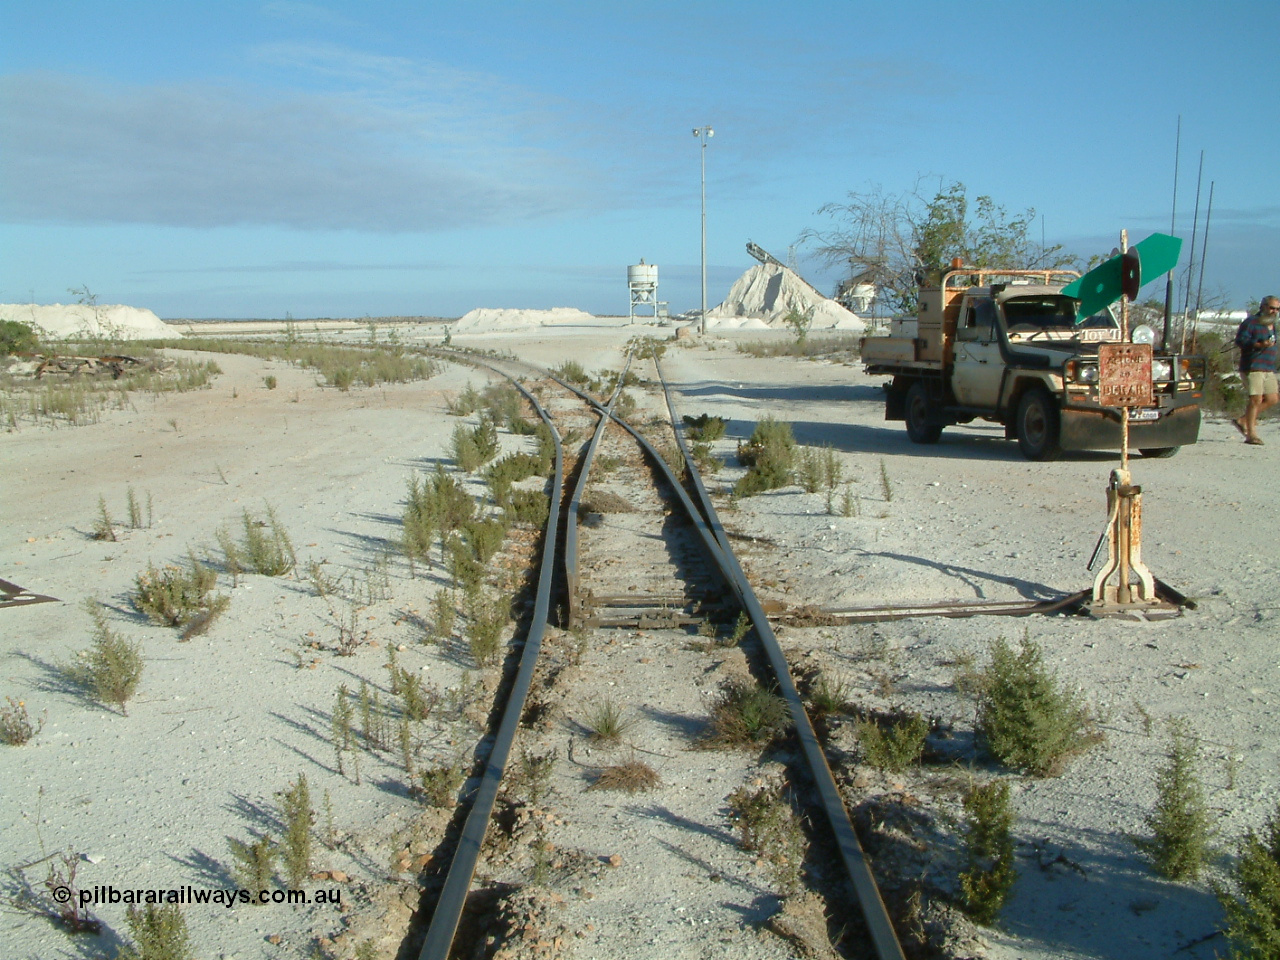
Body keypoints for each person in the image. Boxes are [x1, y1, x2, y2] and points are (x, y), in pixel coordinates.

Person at [1234, 296, 1280, 445]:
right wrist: (1259, 344)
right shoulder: (1251, 323)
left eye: (1277, 309)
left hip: (1268, 367)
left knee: (1273, 398)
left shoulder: (1272, 325)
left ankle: (1243, 420)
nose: (1274, 311)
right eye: (1272, 308)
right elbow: (1241, 341)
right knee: (1256, 399)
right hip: (1253, 366)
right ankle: (1251, 434)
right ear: (1263, 307)